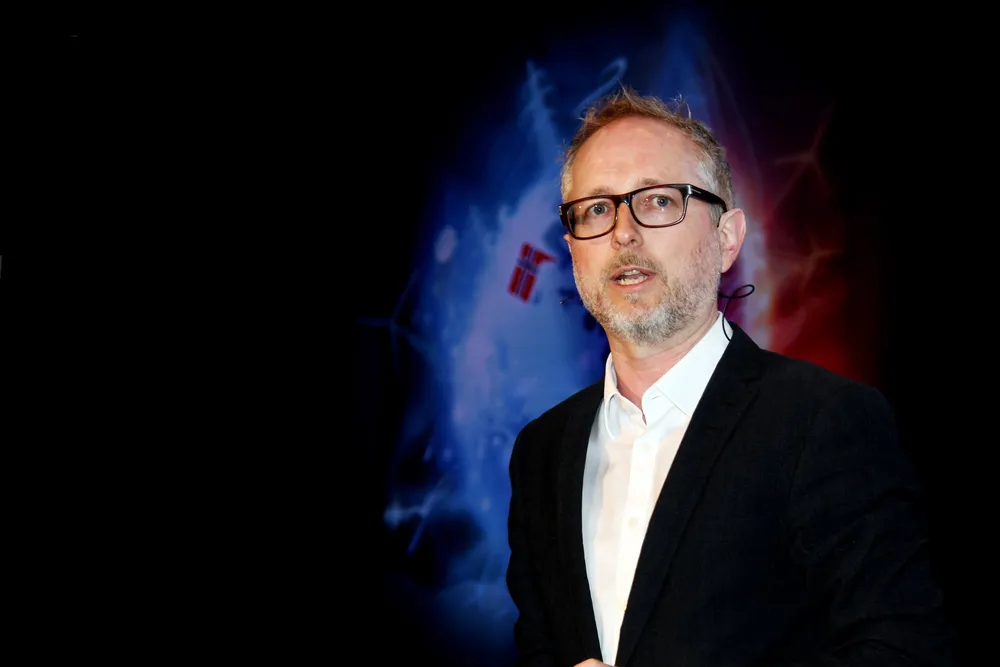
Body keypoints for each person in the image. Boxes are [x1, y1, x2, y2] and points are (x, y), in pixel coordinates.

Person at [504, 85, 956, 667]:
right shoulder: (541, 452)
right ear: (571, 250)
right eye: (596, 209)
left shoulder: (822, 421)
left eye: (658, 200)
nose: (622, 232)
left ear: (727, 239)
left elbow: (905, 652)